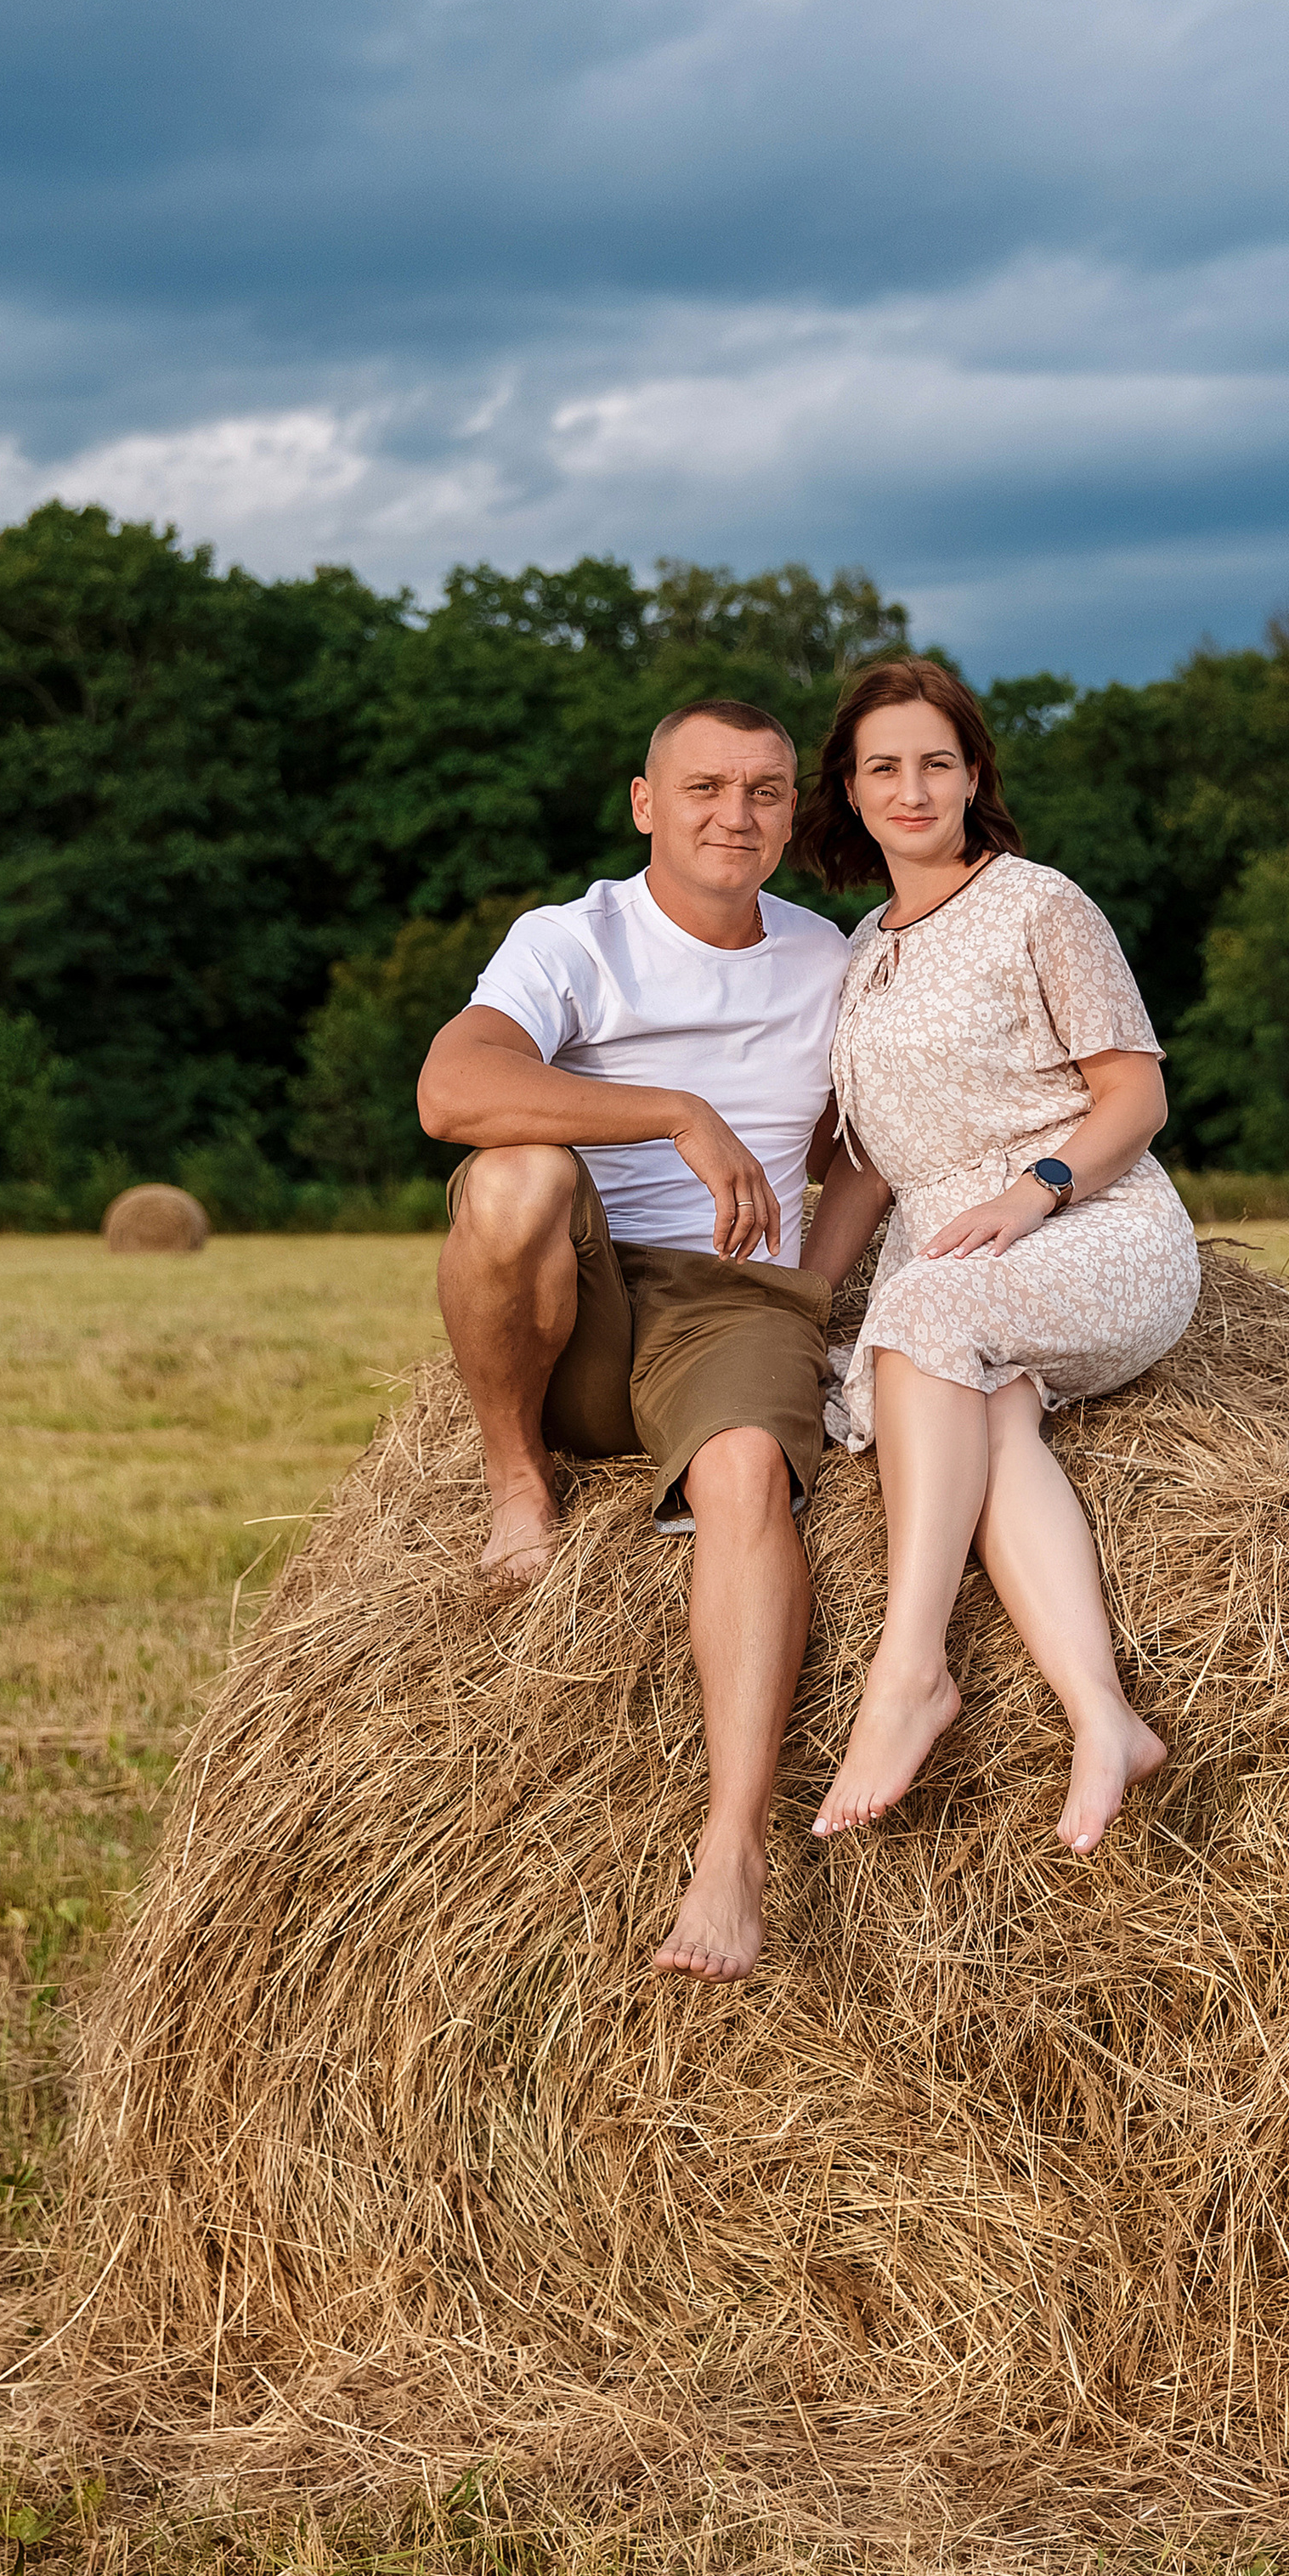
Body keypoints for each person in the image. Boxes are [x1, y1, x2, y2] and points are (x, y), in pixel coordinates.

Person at [416, 699, 850, 1983]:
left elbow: (864, 1147)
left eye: (767, 791)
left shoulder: (830, 956)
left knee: (743, 1482)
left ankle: (733, 1854)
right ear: (645, 803)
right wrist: (675, 1112)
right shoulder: (575, 942)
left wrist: (815, 1287)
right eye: (707, 786)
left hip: (735, 1301)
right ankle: (514, 1480)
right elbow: (452, 1091)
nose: (739, 814)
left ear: (792, 811)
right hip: (589, 1291)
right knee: (515, 1178)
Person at [794, 658, 1201, 1857]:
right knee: (994, 1410)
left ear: (974, 776)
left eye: (936, 762)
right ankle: (1102, 1715)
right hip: (955, 1266)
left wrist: (1038, 1194)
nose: (912, 788)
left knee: (930, 1316)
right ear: (853, 795)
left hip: (1090, 1224)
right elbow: (867, 1163)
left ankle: (908, 1670)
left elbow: (1135, 1096)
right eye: (884, 769)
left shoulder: (1038, 904)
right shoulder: (862, 946)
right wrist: (806, 1299)